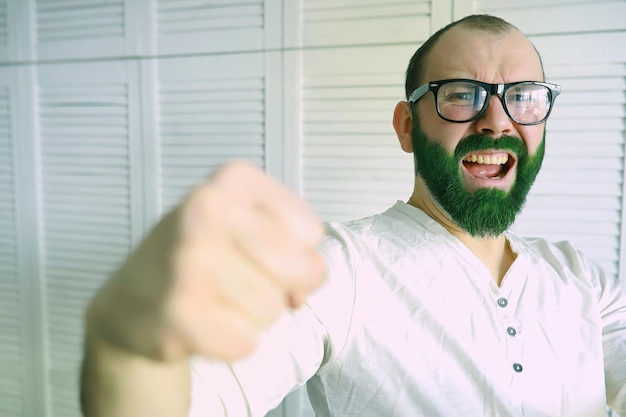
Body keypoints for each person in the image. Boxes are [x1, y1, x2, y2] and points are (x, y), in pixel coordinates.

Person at [80, 14, 626, 417]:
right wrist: (128, 349)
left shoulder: (581, 278)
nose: (496, 120)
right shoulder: (338, 270)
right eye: (461, 94)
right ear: (406, 126)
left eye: (524, 97)